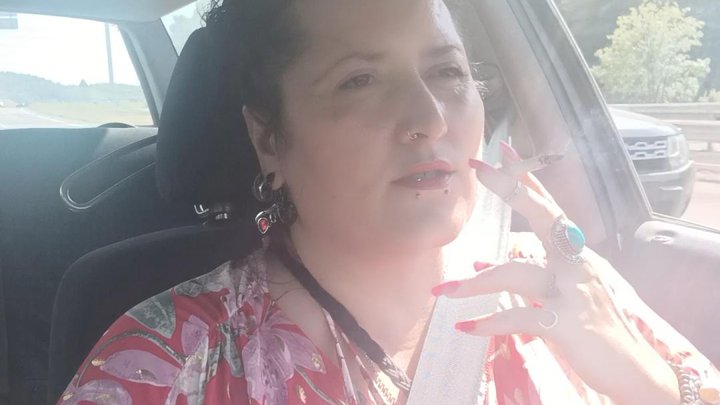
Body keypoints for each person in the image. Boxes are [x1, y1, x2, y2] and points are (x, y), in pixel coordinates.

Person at [58, 0, 719, 404]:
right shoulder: (170, 360)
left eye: (448, 71)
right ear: (269, 138)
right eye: (361, 79)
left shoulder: (570, 288)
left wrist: (650, 387)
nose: (430, 117)